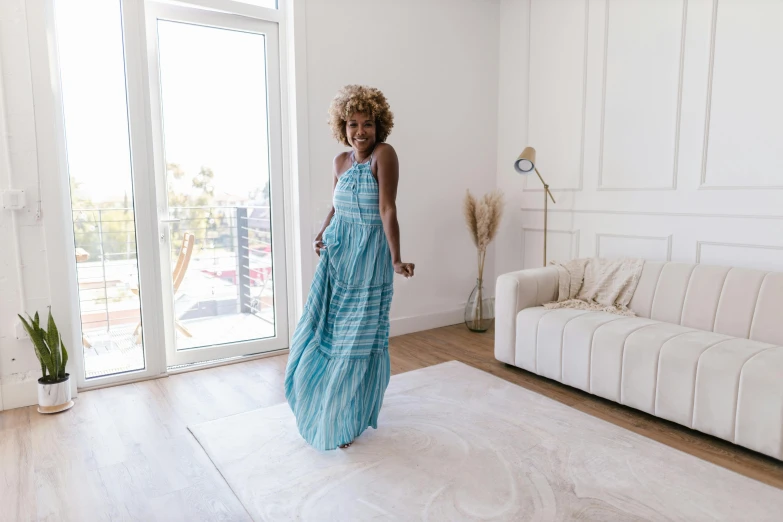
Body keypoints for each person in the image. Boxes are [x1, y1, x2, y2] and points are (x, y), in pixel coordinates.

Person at [284, 85, 415, 450]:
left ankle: (347, 417)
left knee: (355, 339)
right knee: (326, 331)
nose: (360, 132)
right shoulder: (340, 162)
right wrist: (322, 231)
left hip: (369, 258)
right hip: (337, 254)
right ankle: (322, 404)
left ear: (379, 126)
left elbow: (387, 208)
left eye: (368, 124)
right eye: (353, 124)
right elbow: (337, 204)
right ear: (342, 127)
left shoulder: (383, 155)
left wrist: (395, 258)